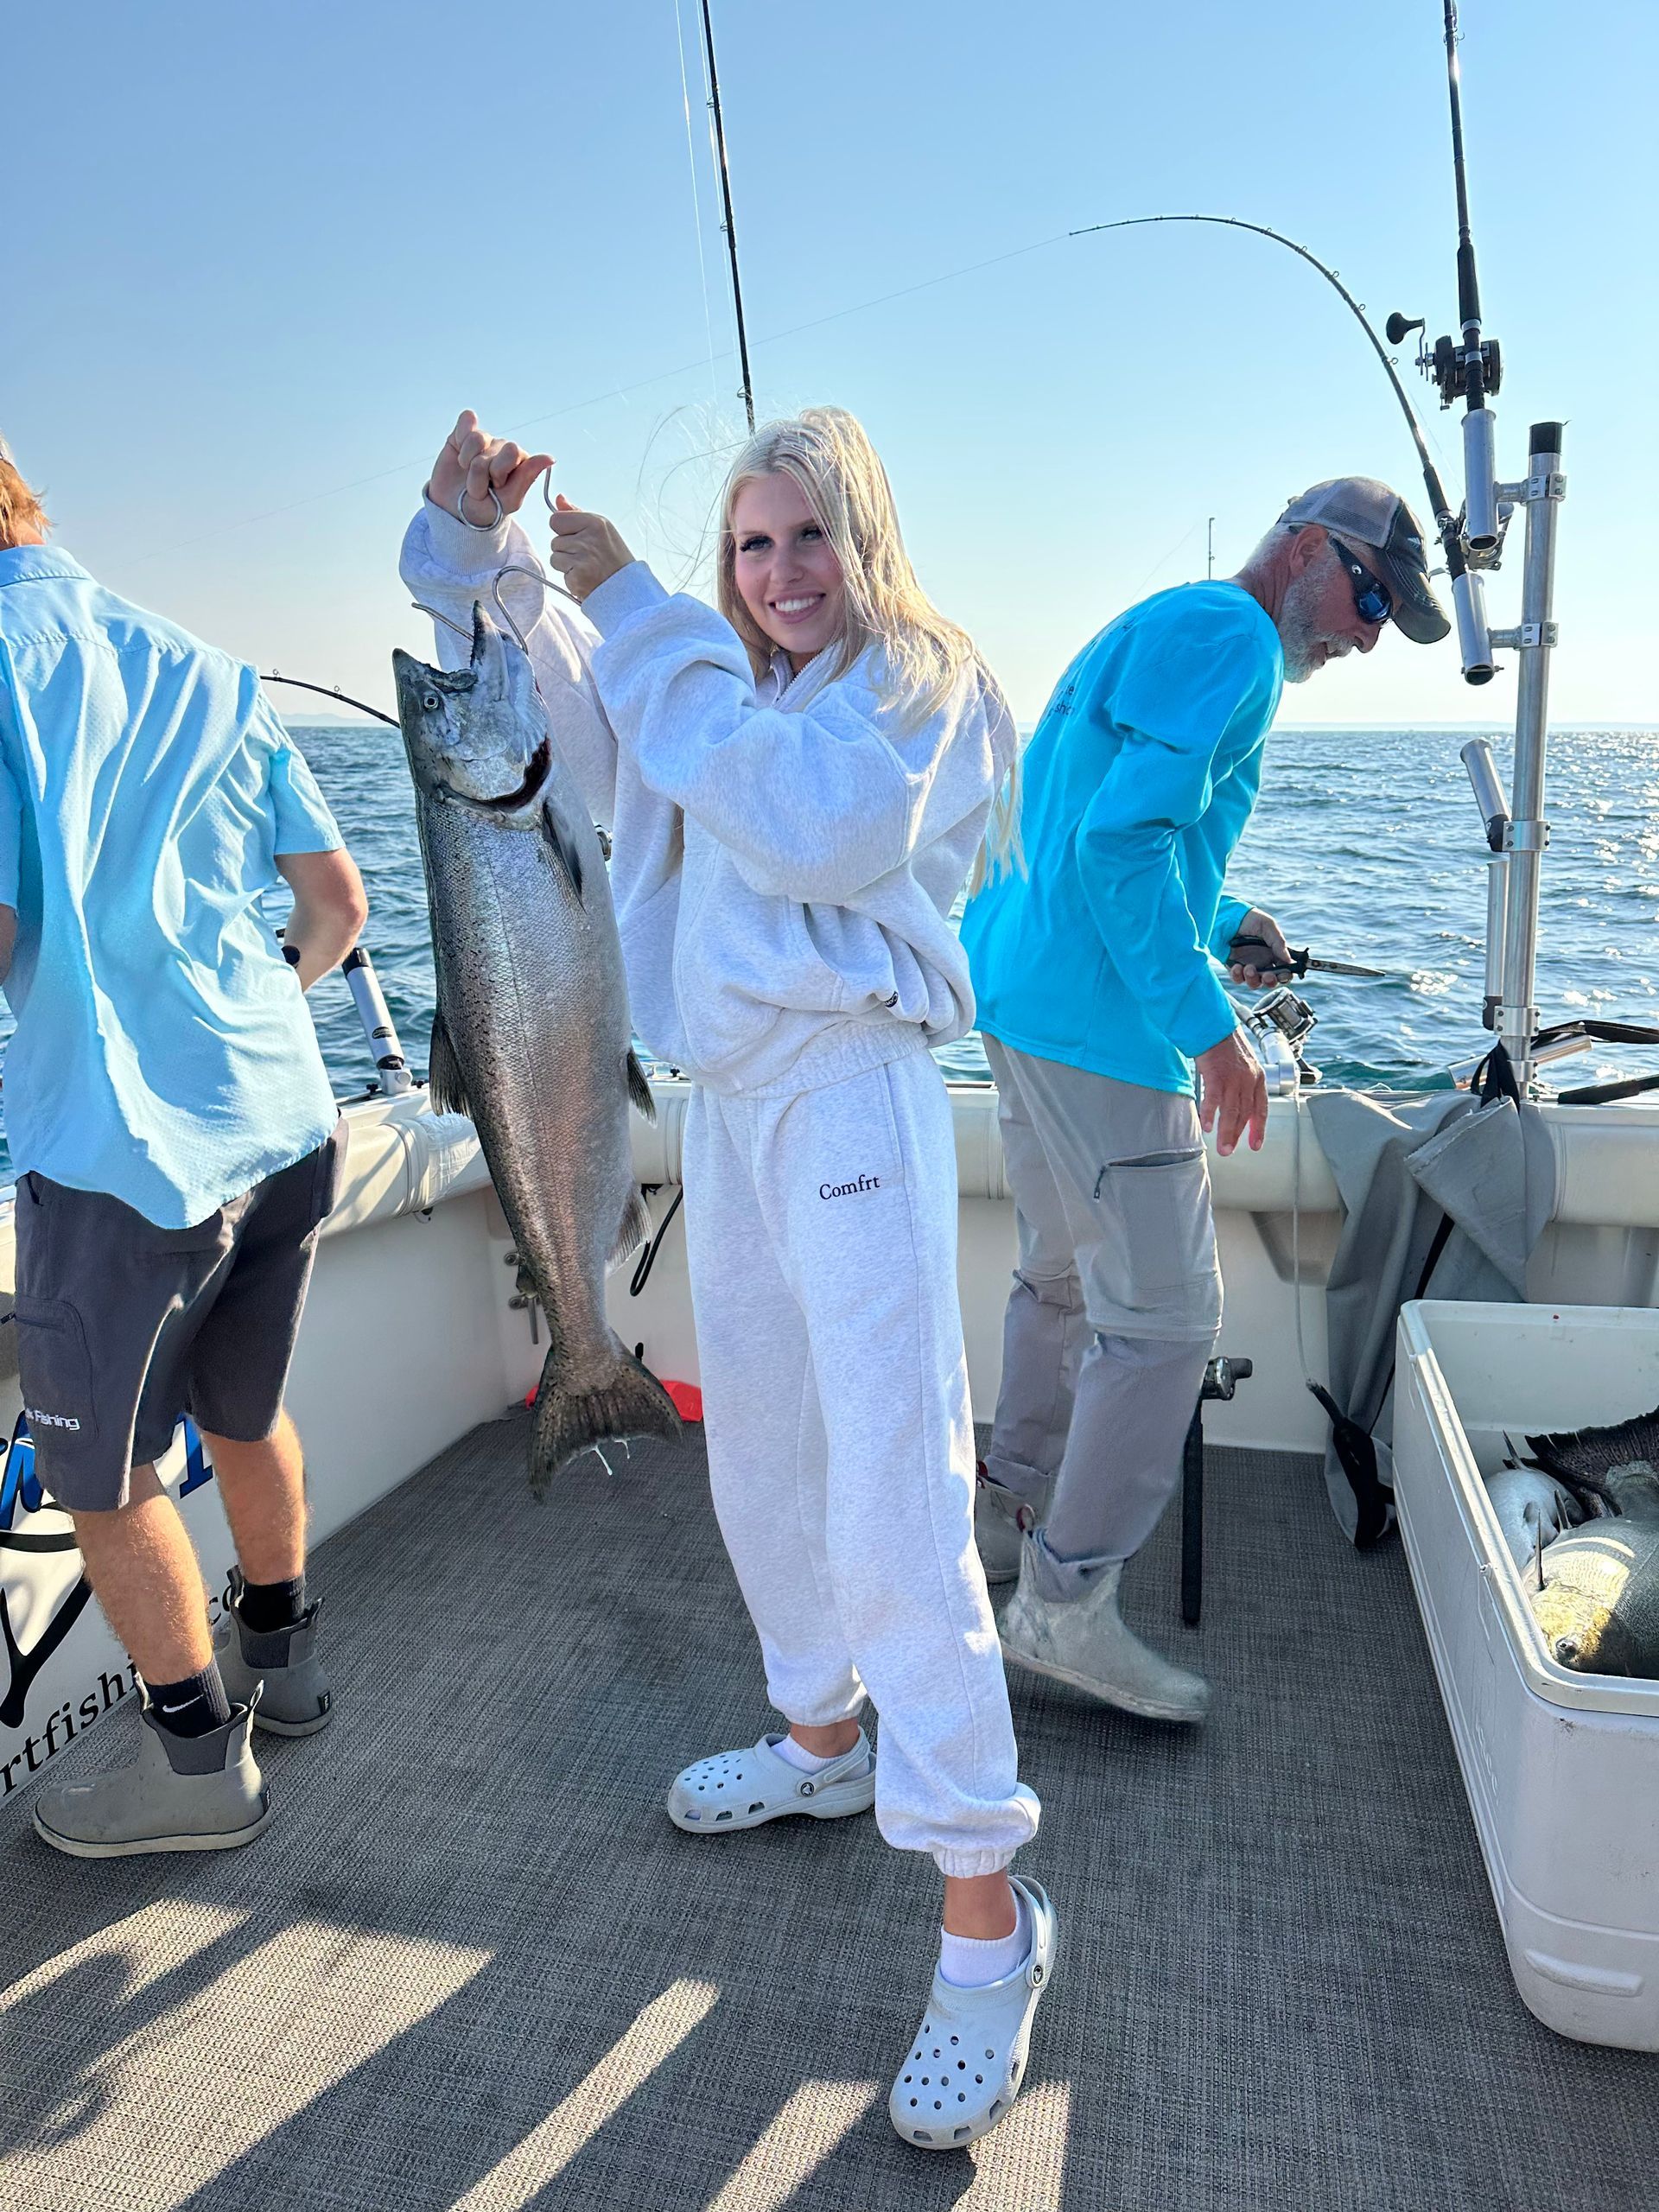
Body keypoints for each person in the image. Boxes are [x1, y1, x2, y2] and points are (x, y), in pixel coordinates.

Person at [400, 406, 1056, 2150]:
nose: (777, 575)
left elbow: (820, 832)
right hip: (731, 1109)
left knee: (895, 1505)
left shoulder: (919, 678)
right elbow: (555, 727)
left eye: (806, 538)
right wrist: (480, 556)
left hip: (852, 1092)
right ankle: (819, 1733)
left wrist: (652, 624)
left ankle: (989, 1921)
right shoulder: (712, 684)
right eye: (750, 546)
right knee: (760, 1450)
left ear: (866, 537)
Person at [960, 479, 1450, 1717]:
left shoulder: (1168, 621)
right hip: (1102, 1026)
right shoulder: (1235, 642)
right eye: (1370, 594)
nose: (1368, 632)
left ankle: (1005, 1524)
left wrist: (1227, 922)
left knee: (1061, 1278)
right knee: (1170, 1321)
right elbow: (1116, 849)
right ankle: (1064, 1607)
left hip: (1020, 992)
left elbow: (1103, 823)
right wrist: (1210, 1032)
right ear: (1305, 550)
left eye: (1388, 613)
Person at [0, 439, 367, 1857]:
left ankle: (197, 1769)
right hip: (285, 1120)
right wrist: (251, 1005)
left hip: (123, 1155)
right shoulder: (207, 667)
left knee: (101, 1476)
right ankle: (287, 1671)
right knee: (243, 1408)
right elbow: (334, 904)